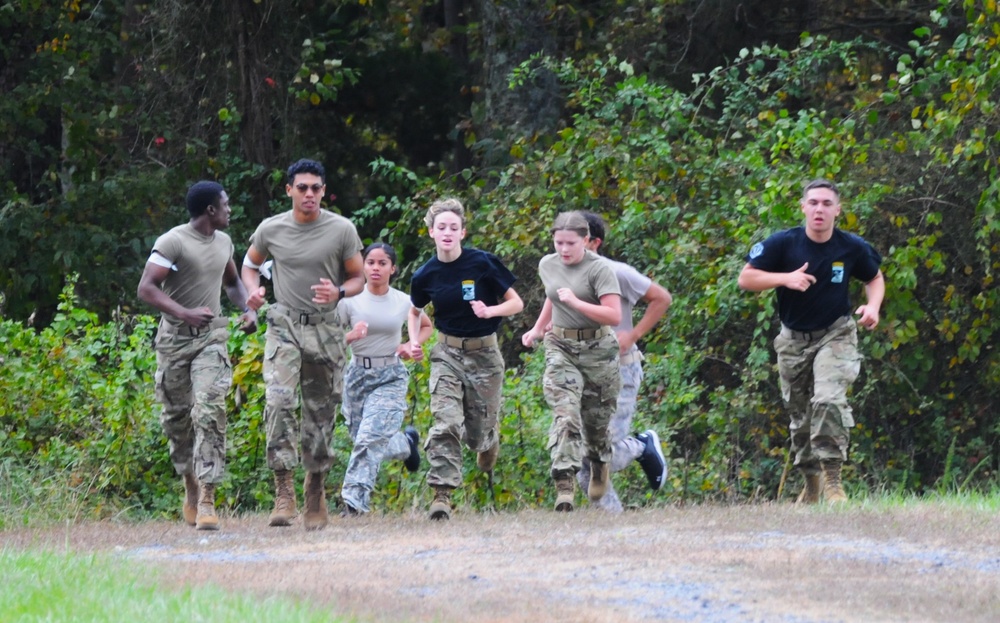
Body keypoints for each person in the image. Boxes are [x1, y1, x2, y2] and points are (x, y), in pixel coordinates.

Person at [738, 179, 884, 504]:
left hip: (836, 333)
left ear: (838, 210)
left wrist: (872, 306)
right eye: (814, 202)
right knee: (800, 418)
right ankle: (811, 483)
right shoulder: (783, 244)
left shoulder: (850, 247)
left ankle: (834, 482)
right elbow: (746, 278)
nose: (820, 209)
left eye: (827, 204)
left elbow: (874, 277)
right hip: (792, 341)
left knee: (828, 399)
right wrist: (784, 278)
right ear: (803, 207)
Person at [241, 158, 365, 530]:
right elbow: (249, 265)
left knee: (321, 413)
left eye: (315, 188)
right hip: (284, 325)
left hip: (326, 328)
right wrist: (253, 292)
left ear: (324, 191)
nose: (309, 194)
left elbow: (358, 277)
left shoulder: (342, 229)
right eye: (302, 188)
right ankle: (284, 490)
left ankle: (315, 487)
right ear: (289, 190)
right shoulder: (271, 229)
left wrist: (339, 291)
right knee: (278, 402)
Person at [137, 180, 257, 531]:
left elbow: (233, 283)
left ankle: (207, 497)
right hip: (174, 342)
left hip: (211, 341)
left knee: (209, 410)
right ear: (210, 210)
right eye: (226, 204)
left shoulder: (224, 242)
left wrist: (247, 309)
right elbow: (146, 288)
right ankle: (189, 482)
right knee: (177, 420)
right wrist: (184, 312)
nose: (230, 209)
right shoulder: (172, 241)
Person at [406, 198, 524, 521]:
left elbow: (517, 303)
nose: (447, 233)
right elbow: (414, 312)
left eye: (453, 228)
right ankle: (441, 494)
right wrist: (414, 341)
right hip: (447, 354)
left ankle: (489, 440)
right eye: (441, 227)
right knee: (445, 422)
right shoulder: (425, 275)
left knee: (477, 436)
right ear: (431, 232)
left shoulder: (483, 263)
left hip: (485, 355)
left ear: (463, 232)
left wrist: (491, 310)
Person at [521, 211, 622, 512]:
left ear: (587, 241)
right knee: (566, 415)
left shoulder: (600, 269)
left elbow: (614, 315)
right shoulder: (547, 264)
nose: (563, 250)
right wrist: (538, 329)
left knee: (597, 424)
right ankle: (564, 485)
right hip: (561, 346)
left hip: (599, 349)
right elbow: (552, 297)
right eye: (558, 243)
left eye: (570, 244)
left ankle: (600, 462)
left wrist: (577, 302)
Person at [575, 211, 672, 512]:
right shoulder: (562, 276)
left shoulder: (617, 273)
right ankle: (611, 522)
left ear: (593, 243)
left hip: (620, 369)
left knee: (604, 453)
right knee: (582, 460)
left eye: (576, 237)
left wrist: (631, 335)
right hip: (581, 372)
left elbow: (662, 298)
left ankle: (641, 446)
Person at [338, 242, 433, 516]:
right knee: (363, 439)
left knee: (369, 438)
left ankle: (353, 503)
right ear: (363, 266)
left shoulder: (404, 301)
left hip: (390, 375)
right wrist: (351, 336)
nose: (376, 268)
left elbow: (426, 326)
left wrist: (410, 344)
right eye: (370, 263)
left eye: (382, 263)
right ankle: (406, 444)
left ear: (393, 268)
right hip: (357, 376)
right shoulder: (349, 301)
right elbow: (330, 339)